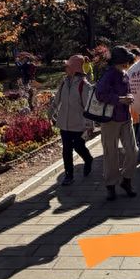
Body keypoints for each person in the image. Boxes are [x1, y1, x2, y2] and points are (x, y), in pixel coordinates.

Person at [94, 46, 138, 200]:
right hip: (110, 119)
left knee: (133, 151)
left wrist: (129, 96)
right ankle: (111, 185)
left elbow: (126, 91)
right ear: (120, 61)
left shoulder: (124, 73)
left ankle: (126, 180)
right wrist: (120, 100)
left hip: (125, 118)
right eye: (127, 60)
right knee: (111, 153)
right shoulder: (109, 75)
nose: (129, 62)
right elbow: (100, 94)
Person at [49, 55, 95, 185]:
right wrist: (50, 113)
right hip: (64, 123)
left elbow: (88, 107)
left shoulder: (84, 85)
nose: (65, 69)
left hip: (79, 124)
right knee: (66, 150)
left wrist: (89, 125)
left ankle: (88, 159)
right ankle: (69, 175)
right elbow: (57, 99)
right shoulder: (64, 82)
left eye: (67, 66)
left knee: (79, 146)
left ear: (74, 68)